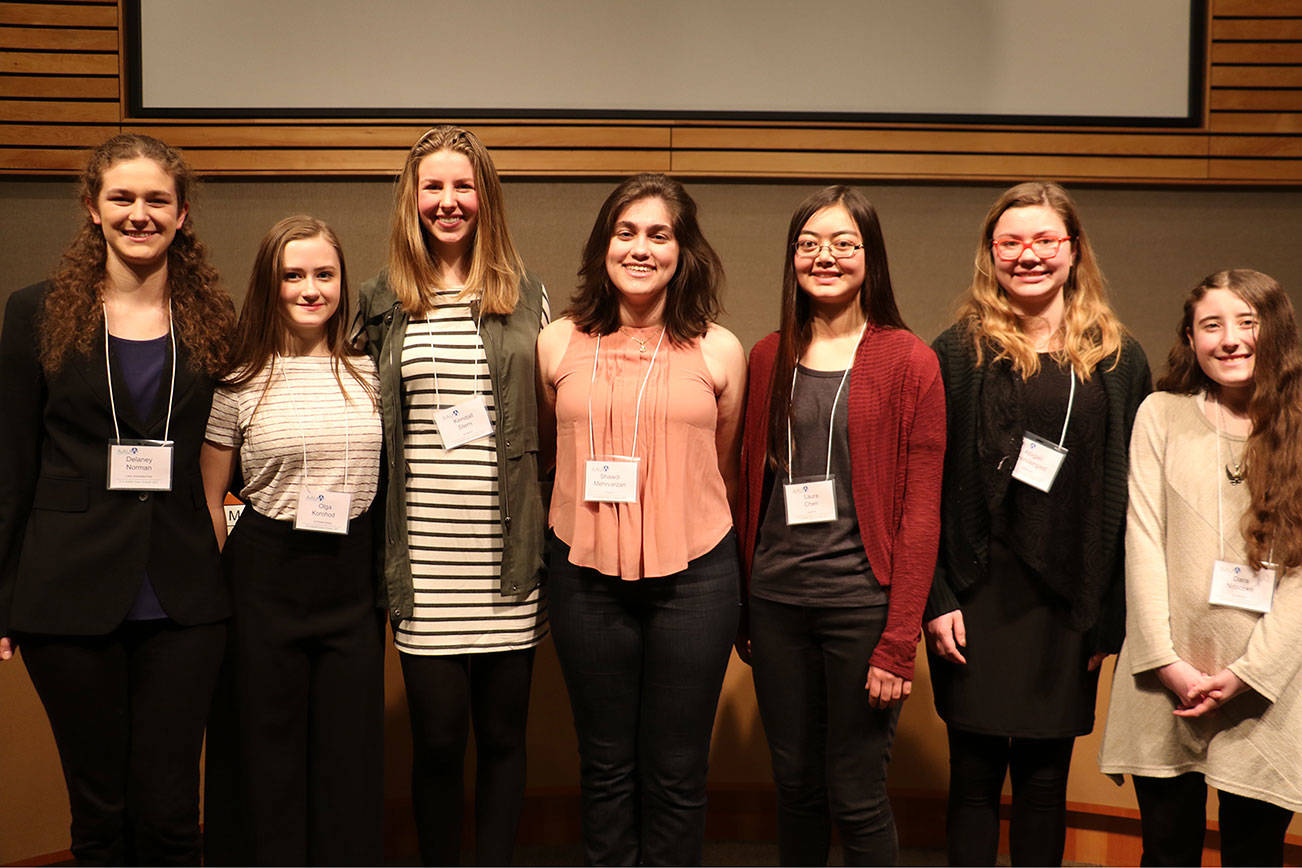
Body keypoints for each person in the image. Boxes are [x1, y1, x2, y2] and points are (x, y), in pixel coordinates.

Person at [0, 134, 234, 865]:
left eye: (157, 200)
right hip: (67, 598)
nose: (140, 213)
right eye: (122, 198)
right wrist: (2, 597)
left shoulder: (215, 321)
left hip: (185, 600)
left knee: (169, 816)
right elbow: (11, 464)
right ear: (93, 210)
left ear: (182, 214)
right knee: (99, 816)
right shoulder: (34, 313)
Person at [923, 181, 1151, 866]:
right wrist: (936, 598)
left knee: (1046, 784)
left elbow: (1132, 497)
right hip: (975, 594)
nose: (1028, 256)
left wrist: (1109, 613)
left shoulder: (1118, 356)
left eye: (1045, 240)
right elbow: (923, 489)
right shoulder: (955, 353)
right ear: (990, 254)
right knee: (972, 780)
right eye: (1011, 242)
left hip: (1068, 603)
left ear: (1073, 249)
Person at [536, 172, 747, 865]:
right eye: (626, 232)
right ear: (603, 244)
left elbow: (722, 462)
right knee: (604, 767)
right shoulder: (557, 340)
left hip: (696, 578)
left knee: (678, 772)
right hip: (585, 575)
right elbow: (550, 447)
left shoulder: (720, 349)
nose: (641, 248)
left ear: (683, 251)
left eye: (659, 234)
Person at [352, 125, 549, 866]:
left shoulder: (527, 296)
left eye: (463, 186)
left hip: (507, 559)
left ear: (485, 197)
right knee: (437, 739)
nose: (448, 201)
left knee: (503, 739)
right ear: (412, 198)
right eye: (433, 187)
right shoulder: (379, 300)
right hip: (424, 562)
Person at [737, 186, 945, 865]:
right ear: (792, 257)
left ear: (870, 257)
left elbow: (920, 515)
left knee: (855, 794)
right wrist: (744, 603)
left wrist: (898, 641)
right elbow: (749, 488)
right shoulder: (767, 356)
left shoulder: (908, 360)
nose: (825, 257)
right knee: (795, 788)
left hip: (861, 606)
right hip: (776, 605)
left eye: (844, 244)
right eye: (809, 244)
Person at [1099, 269, 1302, 867]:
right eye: (1211, 325)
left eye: (1247, 322)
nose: (1230, 339)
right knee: (1166, 852)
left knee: (1253, 854)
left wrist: (1249, 672)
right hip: (1166, 679)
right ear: (1190, 341)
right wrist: (1166, 662)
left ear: (1278, 334)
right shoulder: (1160, 414)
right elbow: (1142, 540)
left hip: (1270, 685)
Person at [199, 215, 384, 865]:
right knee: (267, 757)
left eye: (325, 275)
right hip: (265, 581)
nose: (311, 288)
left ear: (342, 283)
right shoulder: (239, 377)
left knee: (347, 756)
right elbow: (210, 495)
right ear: (269, 284)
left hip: (350, 581)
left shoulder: (369, 372)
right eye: (294, 275)